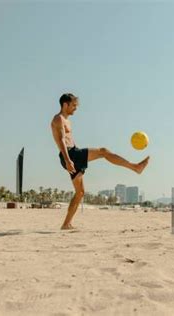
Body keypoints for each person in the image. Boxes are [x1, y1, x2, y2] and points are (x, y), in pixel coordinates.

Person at [50, 93, 150, 230]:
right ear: (65, 104)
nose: (75, 108)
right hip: (70, 155)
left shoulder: (67, 120)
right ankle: (135, 167)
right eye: (73, 105)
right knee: (103, 151)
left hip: (72, 153)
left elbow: (68, 139)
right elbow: (61, 141)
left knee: (80, 192)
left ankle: (66, 224)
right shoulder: (58, 119)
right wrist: (68, 160)